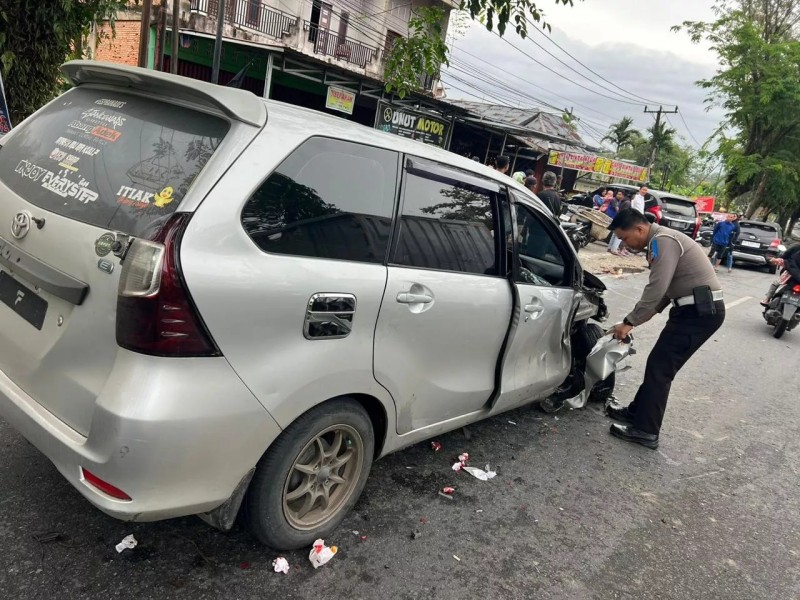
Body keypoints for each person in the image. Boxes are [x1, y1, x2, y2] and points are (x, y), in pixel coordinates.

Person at [606, 209, 725, 449]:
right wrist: (638, 319)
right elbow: (666, 291)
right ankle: (636, 413)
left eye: (626, 238)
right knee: (658, 364)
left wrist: (630, 321)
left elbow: (657, 287)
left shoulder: (662, 241)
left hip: (698, 314)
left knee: (660, 368)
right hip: (692, 310)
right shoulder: (659, 241)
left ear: (639, 229)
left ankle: (646, 431)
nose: (626, 245)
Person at [607, 191, 629, 255]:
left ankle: (610, 248)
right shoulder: (616, 200)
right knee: (619, 235)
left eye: (620, 194)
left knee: (615, 234)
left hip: (617, 218)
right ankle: (613, 249)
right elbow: (619, 211)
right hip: (617, 218)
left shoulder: (620, 202)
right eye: (618, 194)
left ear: (623, 196)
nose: (618, 195)